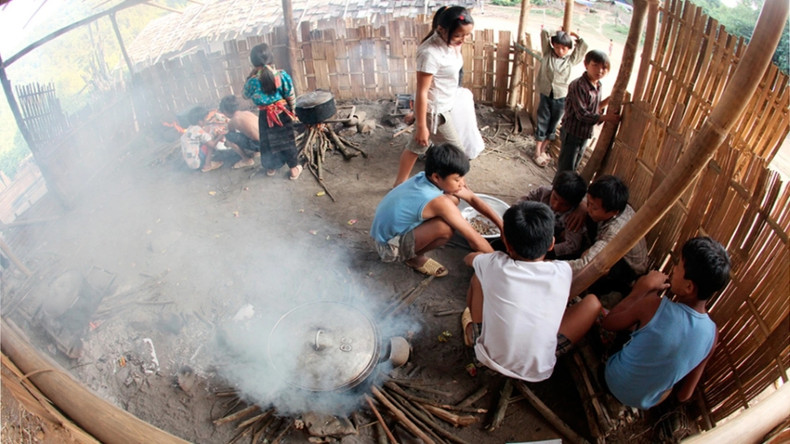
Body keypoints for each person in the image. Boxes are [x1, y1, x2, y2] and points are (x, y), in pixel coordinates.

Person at [462, 201, 602, 382]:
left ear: (507, 243)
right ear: (551, 244)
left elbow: (469, 259)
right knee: (593, 303)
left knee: (477, 278)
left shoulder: (493, 263)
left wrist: (480, 258)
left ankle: (473, 331)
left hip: (488, 357)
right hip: (539, 369)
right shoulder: (563, 270)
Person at [602, 236, 730, 409]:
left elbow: (608, 323)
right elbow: (684, 395)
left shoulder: (654, 305)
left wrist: (640, 289)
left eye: (678, 265)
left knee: (636, 323)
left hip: (612, 379)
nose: (674, 269)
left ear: (689, 287)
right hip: (643, 402)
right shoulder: (712, 334)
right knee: (665, 385)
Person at [371, 143, 502, 277]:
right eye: (457, 179)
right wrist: (502, 266)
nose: (462, 183)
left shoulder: (424, 177)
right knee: (445, 228)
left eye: (462, 177)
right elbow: (473, 237)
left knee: (453, 199)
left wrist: (502, 227)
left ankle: (413, 248)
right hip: (388, 248)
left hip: (385, 233)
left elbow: (472, 198)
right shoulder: (438, 202)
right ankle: (413, 258)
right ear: (436, 177)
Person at [393, 6, 475, 187]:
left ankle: (398, 186)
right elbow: (422, 92)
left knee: (416, 147)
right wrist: (422, 126)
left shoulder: (451, 44)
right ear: (441, 29)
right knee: (458, 154)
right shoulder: (430, 53)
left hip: (443, 106)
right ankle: (459, 188)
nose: (463, 39)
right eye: (459, 35)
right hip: (435, 112)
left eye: (467, 35)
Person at [567, 175, 649, 295]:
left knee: (592, 268)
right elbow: (588, 196)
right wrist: (583, 205)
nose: (589, 209)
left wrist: (551, 266)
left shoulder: (616, 231)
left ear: (613, 212)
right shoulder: (608, 202)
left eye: (594, 208)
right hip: (608, 244)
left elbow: (586, 264)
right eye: (588, 203)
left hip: (626, 269)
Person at [243, 43, 303, 180]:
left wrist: (250, 76)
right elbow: (290, 95)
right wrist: (293, 110)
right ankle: (294, 170)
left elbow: (245, 95)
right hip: (282, 112)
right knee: (287, 141)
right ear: (271, 58)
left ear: (253, 62)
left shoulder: (252, 81)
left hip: (265, 115)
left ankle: (271, 168)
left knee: (267, 143)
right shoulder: (282, 75)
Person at [555, 49, 620, 177]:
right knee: (565, 169)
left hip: (584, 133)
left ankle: (561, 189)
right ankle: (556, 189)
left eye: (604, 68)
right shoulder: (578, 85)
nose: (599, 71)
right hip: (572, 133)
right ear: (586, 65)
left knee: (573, 168)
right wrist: (606, 118)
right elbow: (582, 114)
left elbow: (594, 107)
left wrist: (608, 100)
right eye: (595, 65)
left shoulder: (598, 85)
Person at [532, 29, 588, 168]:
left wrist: (575, 35)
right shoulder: (547, 54)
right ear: (553, 45)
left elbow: (583, 46)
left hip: (561, 96)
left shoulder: (571, 60)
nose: (560, 51)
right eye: (557, 47)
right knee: (542, 120)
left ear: (569, 49)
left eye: (564, 48)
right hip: (546, 93)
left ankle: (544, 149)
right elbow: (544, 33)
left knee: (554, 123)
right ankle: (537, 151)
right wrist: (558, 31)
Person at [517, 170, 587, 259]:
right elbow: (520, 204)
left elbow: (572, 245)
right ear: (552, 188)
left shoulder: (574, 217)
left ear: (574, 204)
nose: (556, 205)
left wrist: (542, 250)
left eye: (564, 204)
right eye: (555, 198)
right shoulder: (543, 192)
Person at [218, 95, 260, 169]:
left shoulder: (233, 121)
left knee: (229, 138)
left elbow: (232, 134)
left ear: (225, 112)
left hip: (260, 145)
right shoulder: (247, 112)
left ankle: (247, 160)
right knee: (248, 131)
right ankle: (258, 152)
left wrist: (226, 142)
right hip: (268, 140)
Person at [180, 106, 224, 172]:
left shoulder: (190, 128)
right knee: (209, 144)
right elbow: (212, 145)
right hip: (197, 163)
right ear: (200, 121)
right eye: (206, 118)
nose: (207, 120)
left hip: (190, 162)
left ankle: (204, 161)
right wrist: (220, 136)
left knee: (206, 140)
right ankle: (207, 165)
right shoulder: (199, 131)